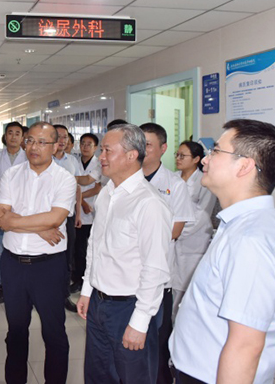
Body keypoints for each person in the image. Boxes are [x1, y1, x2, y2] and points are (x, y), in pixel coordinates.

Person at [170, 119, 275, 384]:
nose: (206, 160)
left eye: (216, 151)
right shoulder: (239, 224)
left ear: (244, 166)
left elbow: (245, 346)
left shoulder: (252, 239)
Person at [77, 124, 171, 384]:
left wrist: (140, 322)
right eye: (102, 150)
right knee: (98, 376)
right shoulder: (108, 193)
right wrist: (87, 290)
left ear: (131, 155)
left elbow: (155, 269)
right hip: (99, 304)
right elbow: (96, 246)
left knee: (133, 377)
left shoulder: (149, 203)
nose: (101, 157)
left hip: (130, 308)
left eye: (108, 150)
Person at [0, 122, 77, 384]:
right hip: (13, 265)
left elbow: (56, 217)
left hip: (48, 267)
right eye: (30, 140)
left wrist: (17, 220)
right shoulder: (11, 174)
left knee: (54, 333)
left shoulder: (65, 179)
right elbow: (1, 215)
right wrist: (42, 228)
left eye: (42, 142)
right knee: (16, 331)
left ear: (55, 146)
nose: (34, 147)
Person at [139, 123, 195, 384]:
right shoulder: (124, 178)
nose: (142, 149)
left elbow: (175, 230)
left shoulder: (174, 185)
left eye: (148, 144)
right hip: (126, 278)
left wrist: (134, 240)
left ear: (163, 149)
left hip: (160, 279)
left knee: (158, 342)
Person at [173, 140, 216, 320]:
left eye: (183, 156)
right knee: (170, 294)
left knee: (185, 296)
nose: (178, 158)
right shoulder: (173, 178)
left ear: (197, 159)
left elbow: (202, 216)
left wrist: (174, 231)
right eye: (177, 155)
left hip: (192, 243)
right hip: (171, 241)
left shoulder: (203, 182)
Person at [0, 121, 27, 304]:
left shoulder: (29, 158)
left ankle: (22, 287)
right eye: (10, 133)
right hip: (2, 213)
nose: (13, 136)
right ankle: (2, 286)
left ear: (22, 137)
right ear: (5, 136)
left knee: (24, 250)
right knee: (3, 250)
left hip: (24, 212)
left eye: (17, 133)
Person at [53, 124, 84, 312]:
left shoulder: (72, 161)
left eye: (65, 137)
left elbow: (77, 187)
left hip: (69, 217)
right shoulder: (44, 160)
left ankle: (64, 296)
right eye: (58, 136)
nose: (62, 140)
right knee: (47, 257)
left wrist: (78, 213)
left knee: (67, 257)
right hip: (48, 217)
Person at [71, 133, 102, 294]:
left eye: (89, 144)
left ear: (95, 147)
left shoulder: (99, 164)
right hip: (77, 210)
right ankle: (76, 278)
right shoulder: (74, 161)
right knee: (76, 248)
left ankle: (85, 280)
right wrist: (80, 201)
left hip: (91, 212)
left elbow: (95, 187)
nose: (85, 146)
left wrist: (80, 198)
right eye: (83, 143)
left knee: (86, 249)